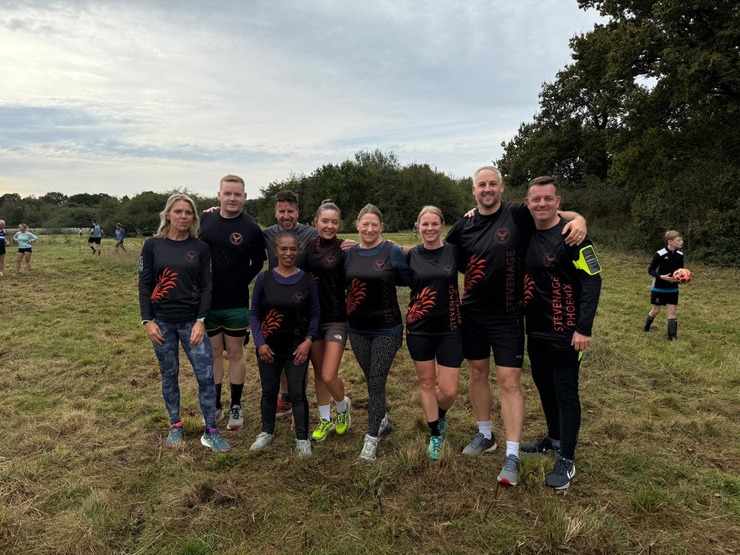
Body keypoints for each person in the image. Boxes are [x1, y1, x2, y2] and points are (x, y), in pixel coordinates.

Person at [445, 165, 586, 486]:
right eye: (482, 185)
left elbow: (551, 211)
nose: (487, 189)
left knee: (509, 382)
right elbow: (438, 252)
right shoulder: (463, 225)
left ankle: (511, 454)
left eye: (493, 184)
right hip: (473, 315)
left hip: (509, 316)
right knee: (478, 374)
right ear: (473, 190)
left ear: (502, 187)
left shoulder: (518, 214)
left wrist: (579, 220)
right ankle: (485, 436)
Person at [520, 176, 602, 489]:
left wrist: (583, 327)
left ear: (558, 201)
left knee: (566, 391)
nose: (542, 204)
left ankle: (566, 459)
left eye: (548, 199)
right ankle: (553, 438)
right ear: (528, 203)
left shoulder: (574, 236)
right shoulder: (526, 231)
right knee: (544, 386)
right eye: (536, 199)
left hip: (567, 332)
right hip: (535, 330)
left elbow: (593, 280)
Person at [138, 194, 230, 453]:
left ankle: (211, 430)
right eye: (178, 212)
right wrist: (147, 320)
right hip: (161, 323)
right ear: (168, 215)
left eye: (188, 213)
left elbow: (207, 286)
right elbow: (144, 285)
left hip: (192, 322)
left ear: (194, 218)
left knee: (206, 376)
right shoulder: (153, 246)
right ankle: (175, 425)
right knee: (169, 376)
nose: (183, 217)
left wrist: (201, 321)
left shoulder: (200, 248)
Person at [345, 204, 414, 461]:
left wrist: (408, 251)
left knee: (375, 380)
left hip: (387, 328)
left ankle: (371, 438)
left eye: (375, 224)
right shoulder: (348, 254)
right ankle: (382, 420)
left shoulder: (392, 251)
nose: (370, 229)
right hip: (357, 328)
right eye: (365, 224)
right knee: (372, 379)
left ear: (382, 227)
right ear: (357, 225)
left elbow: (410, 279)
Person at [199, 175, 267, 431]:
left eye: (237, 194)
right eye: (227, 193)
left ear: (245, 197)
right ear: (219, 195)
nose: (232, 198)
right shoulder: (205, 220)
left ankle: (236, 406)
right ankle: (216, 403)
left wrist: (242, 281)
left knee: (236, 353)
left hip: (236, 302)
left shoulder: (251, 227)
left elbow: (259, 262)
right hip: (207, 302)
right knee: (215, 353)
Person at [249, 231, 320, 457]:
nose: (288, 253)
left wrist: (308, 342)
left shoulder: (307, 280)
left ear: (298, 251)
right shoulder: (264, 278)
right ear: (275, 251)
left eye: (292, 249)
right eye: (283, 249)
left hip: (297, 349)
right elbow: (255, 313)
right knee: (269, 391)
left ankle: (302, 438)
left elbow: (316, 314)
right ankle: (266, 431)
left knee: (298, 394)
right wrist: (260, 343)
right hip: (268, 348)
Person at [406, 206, 463, 461]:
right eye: (424, 224)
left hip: (450, 327)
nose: (429, 229)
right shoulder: (408, 256)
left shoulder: (453, 251)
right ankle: (434, 433)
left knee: (449, 390)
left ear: (442, 225)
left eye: (434, 224)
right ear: (418, 227)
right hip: (419, 328)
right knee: (427, 382)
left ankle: (439, 413)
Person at [262, 190, 319, 417]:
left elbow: (332, 241)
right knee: (279, 350)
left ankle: (298, 401)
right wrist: (213, 213)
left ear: (298, 212)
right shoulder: (266, 235)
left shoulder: (311, 233)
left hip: (301, 302)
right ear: (276, 212)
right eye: (282, 211)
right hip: (274, 301)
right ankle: (285, 398)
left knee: (298, 355)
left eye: (290, 211)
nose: (286, 216)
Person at [302, 202, 352, 442]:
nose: (329, 226)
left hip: (336, 319)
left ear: (339, 224)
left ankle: (342, 408)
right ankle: (324, 419)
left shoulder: (345, 248)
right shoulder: (307, 248)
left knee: (330, 374)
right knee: (319, 373)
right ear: (316, 222)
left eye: (334, 222)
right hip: (312, 321)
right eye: (325, 221)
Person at [644, 230, 684, 340]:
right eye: (679, 240)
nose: (682, 242)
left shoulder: (680, 255)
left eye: (681, 240)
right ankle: (646, 327)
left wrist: (681, 279)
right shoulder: (660, 254)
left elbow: (680, 271)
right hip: (659, 287)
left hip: (673, 289)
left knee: (672, 312)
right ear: (670, 241)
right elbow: (650, 270)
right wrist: (662, 277)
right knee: (656, 310)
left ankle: (672, 337)